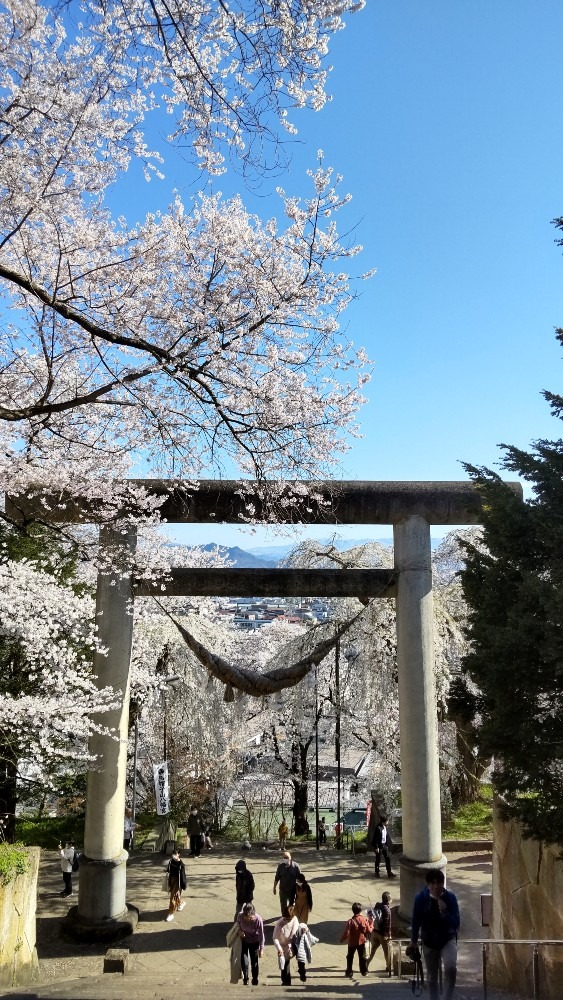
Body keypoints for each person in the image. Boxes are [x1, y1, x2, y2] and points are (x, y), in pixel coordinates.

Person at [410, 869, 460, 1000]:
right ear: (428, 885)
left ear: (443, 884)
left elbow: (456, 923)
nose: (436, 886)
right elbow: (416, 920)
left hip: (447, 939)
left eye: (439, 883)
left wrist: (445, 912)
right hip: (429, 941)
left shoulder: (450, 898)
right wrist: (413, 941)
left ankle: (447, 997)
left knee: (451, 969)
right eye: (433, 883)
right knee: (432, 976)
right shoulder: (421, 898)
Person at [340, 902, 373, 978]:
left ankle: (349, 972)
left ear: (353, 911)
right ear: (360, 911)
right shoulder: (364, 920)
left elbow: (347, 933)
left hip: (352, 943)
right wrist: (372, 923)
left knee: (350, 957)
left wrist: (342, 939)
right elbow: (369, 930)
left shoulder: (350, 921)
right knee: (362, 957)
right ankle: (364, 971)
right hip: (362, 942)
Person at [237, 902, 265, 986]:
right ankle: (245, 979)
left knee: (254, 962)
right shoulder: (240, 916)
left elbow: (261, 935)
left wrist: (261, 948)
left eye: (251, 917)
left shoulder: (258, 920)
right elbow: (237, 924)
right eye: (247, 917)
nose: (249, 919)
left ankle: (255, 979)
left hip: (254, 942)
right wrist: (239, 931)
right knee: (244, 961)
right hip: (244, 940)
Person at [272, 905, 300, 986]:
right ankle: (286, 981)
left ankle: (301, 972)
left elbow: (298, 929)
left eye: (289, 919)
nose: (287, 920)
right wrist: (279, 948)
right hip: (283, 947)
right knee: (284, 964)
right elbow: (274, 938)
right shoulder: (279, 924)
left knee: (300, 958)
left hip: (293, 945)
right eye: (286, 918)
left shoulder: (294, 919)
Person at [366, 891, 393, 973]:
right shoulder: (387, 910)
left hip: (375, 932)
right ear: (388, 899)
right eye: (390, 898)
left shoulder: (378, 905)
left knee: (372, 950)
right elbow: (387, 925)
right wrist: (389, 936)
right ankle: (389, 967)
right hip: (383, 935)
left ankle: (366, 964)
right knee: (387, 952)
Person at [165, 848, 187, 921]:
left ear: (179, 855)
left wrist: (184, 885)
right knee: (175, 895)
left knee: (173, 896)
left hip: (178, 881)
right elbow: (168, 869)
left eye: (176, 854)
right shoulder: (171, 861)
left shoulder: (181, 865)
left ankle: (171, 913)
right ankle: (181, 903)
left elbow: (183, 876)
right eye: (173, 854)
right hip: (171, 880)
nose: (174, 855)